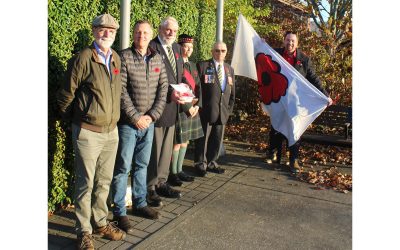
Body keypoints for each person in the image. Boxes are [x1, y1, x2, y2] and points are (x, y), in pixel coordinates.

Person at [57, 14, 126, 250]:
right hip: (87, 131)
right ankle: (83, 231)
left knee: (104, 181)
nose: (106, 34)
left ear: (115, 34)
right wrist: (77, 122)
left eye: (111, 31)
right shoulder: (84, 58)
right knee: (86, 183)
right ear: (94, 31)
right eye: (101, 29)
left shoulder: (115, 58)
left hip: (111, 132)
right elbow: (66, 95)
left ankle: (100, 222)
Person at [111, 20, 169, 232]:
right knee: (122, 167)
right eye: (138, 32)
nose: (141, 36)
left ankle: (140, 203)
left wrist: (151, 116)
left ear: (151, 35)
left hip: (149, 124)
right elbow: (121, 90)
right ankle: (119, 211)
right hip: (128, 124)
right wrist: (135, 117)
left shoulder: (158, 58)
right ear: (133, 34)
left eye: (145, 33)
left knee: (142, 165)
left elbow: (163, 89)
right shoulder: (123, 56)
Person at [265, 31, 333, 173]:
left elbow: (313, 79)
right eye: (288, 40)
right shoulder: (275, 53)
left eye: (293, 41)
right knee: (276, 126)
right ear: (284, 41)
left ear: (297, 43)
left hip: (296, 102)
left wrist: (325, 95)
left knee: (295, 128)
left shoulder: (304, 60)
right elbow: (262, 56)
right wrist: (261, 43)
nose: (290, 43)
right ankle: (273, 153)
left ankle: (293, 159)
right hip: (279, 98)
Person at [147, 16, 185, 206]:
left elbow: (179, 76)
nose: (171, 33)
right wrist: (171, 92)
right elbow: (151, 79)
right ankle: (150, 187)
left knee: (166, 148)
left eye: (174, 31)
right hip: (157, 106)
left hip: (173, 107)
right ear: (161, 29)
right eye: (168, 29)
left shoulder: (177, 48)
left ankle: (162, 181)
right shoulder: (151, 47)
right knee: (154, 148)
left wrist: (185, 92)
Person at [194, 42, 235, 176]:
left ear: (226, 52)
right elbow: (197, 88)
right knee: (203, 139)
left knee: (217, 139)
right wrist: (199, 106)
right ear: (212, 51)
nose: (220, 53)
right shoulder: (203, 66)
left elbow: (232, 93)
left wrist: (228, 110)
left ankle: (212, 162)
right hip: (206, 110)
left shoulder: (229, 69)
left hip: (222, 111)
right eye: (217, 51)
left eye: (223, 51)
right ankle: (201, 164)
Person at [168, 34, 204, 186]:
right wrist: (188, 108)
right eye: (185, 47)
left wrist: (197, 105)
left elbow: (198, 87)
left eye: (191, 47)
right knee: (177, 142)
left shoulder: (193, 65)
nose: (188, 50)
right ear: (180, 47)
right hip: (181, 109)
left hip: (193, 109)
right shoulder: (176, 64)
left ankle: (180, 170)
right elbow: (175, 87)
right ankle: (172, 173)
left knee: (186, 142)